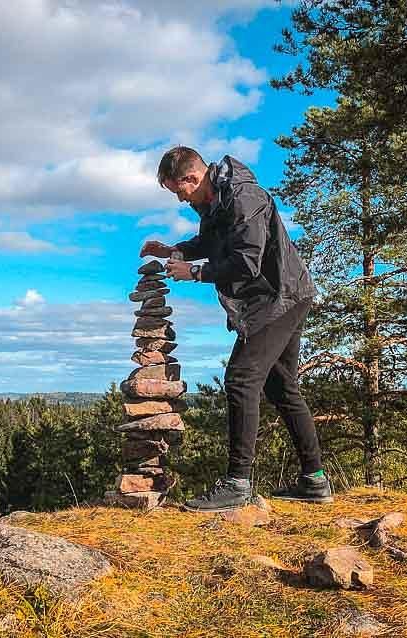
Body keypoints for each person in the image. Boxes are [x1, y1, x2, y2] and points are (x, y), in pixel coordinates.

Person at [140, 146, 332, 512]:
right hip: (279, 296)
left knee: (241, 380)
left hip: (279, 298)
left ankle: (237, 484)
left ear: (193, 178)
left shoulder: (244, 197)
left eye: (179, 191)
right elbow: (212, 243)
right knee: (281, 386)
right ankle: (315, 480)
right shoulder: (213, 202)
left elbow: (246, 262)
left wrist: (195, 273)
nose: (181, 200)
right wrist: (174, 251)